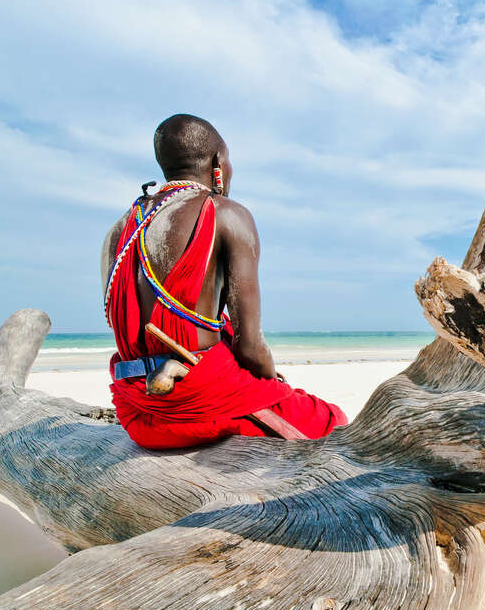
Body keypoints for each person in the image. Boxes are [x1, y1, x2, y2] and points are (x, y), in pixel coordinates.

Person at [101, 114, 346, 449]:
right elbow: (250, 347)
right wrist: (271, 385)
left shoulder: (121, 228)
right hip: (195, 406)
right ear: (218, 163)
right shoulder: (225, 213)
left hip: (136, 411)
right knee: (333, 421)